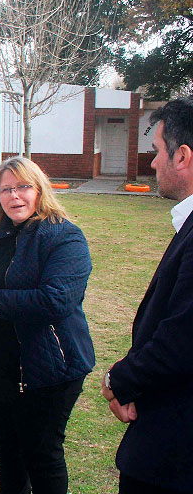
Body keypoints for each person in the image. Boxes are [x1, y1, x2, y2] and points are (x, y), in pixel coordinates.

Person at [0, 156, 94, 494]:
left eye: (23, 187)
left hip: (47, 369)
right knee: (6, 451)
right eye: (5, 189)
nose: (14, 196)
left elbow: (54, 301)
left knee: (41, 455)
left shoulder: (64, 237)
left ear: (40, 189)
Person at [102, 97, 193, 494]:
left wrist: (120, 380)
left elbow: (182, 338)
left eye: (157, 151)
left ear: (183, 156)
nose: (153, 163)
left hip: (174, 455)